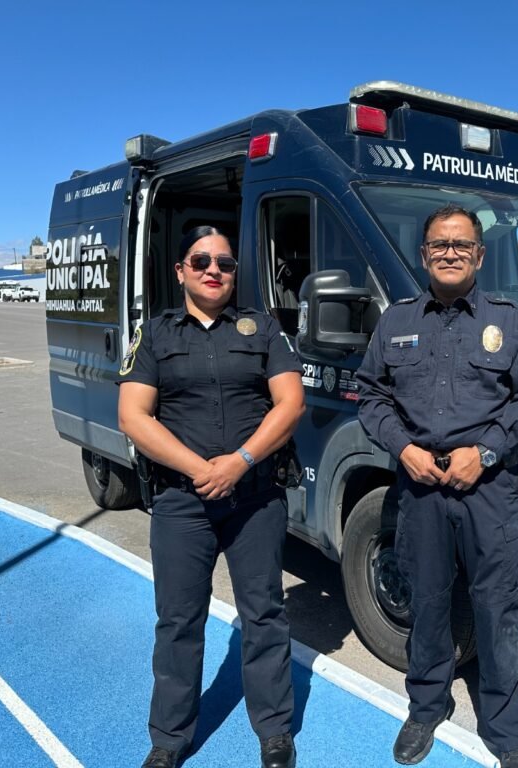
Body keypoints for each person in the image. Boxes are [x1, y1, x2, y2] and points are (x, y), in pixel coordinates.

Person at [357, 204, 518, 767]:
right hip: (420, 486)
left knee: (497, 609)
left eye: (461, 245)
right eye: (439, 244)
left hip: (489, 487)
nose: (449, 253)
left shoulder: (510, 323)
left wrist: (484, 453)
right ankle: (426, 707)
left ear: (479, 256)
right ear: (424, 255)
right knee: (428, 601)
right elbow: (371, 394)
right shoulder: (396, 322)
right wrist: (404, 449)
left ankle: (508, 732)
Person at [118, 226, 304, 768]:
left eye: (224, 262)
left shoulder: (263, 329)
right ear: (181, 271)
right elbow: (133, 416)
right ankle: (169, 740)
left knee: (264, 614)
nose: (213, 270)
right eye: (200, 261)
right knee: (178, 621)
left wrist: (239, 462)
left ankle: (274, 732)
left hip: (255, 499)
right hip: (182, 501)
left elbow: (290, 404)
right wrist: (203, 470)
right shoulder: (155, 334)